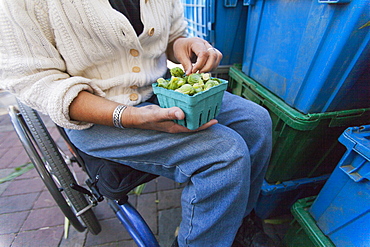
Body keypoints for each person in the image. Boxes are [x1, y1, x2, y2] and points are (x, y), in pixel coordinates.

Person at [0, 0, 275, 246]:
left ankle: (237, 222)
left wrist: (186, 45)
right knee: (225, 153)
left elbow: (172, 36)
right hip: (95, 114)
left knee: (255, 122)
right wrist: (129, 116)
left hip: (160, 91)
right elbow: (35, 81)